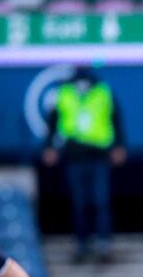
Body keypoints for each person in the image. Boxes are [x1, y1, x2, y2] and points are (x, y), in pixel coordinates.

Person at [43, 65, 126, 264]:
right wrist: (49, 146)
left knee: (101, 201)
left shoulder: (103, 92)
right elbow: (53, 122)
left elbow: (116, 119)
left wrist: (119, 145)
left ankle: (104, 243)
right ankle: (81, 244)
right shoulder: (63, 93)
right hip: (74, 156)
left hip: (99, 156)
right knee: (79, 203)